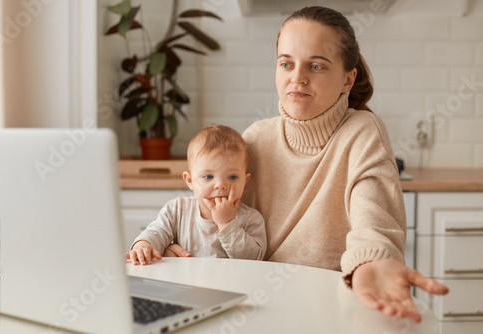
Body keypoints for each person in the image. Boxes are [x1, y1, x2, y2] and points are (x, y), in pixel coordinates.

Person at [163, 6, 449, 323]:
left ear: (347, 79)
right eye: (286, 63)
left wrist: (371, 262)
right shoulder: (256, 139)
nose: (297, 78)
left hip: (327, 307)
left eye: (316, 66)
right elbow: (223, 223)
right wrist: (183, 247)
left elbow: (374, 220)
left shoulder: (363, 132)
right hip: (257, 306)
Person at [127, 125, 267, 265]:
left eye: (232, 177)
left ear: (245, 181)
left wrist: (227, 224)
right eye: (208, 177)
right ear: (190, 181)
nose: (220, 185)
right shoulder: (176, 210)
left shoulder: (251, 219)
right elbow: (156, 232)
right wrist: (143, 245)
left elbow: (254, 260)